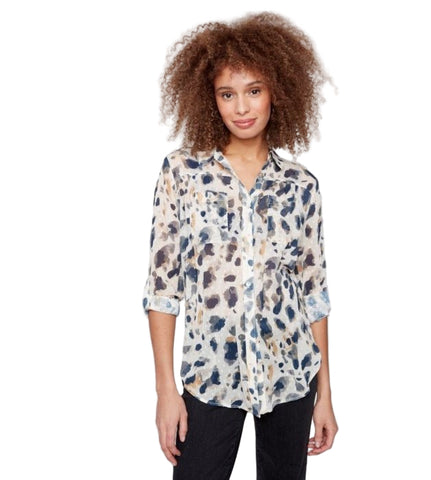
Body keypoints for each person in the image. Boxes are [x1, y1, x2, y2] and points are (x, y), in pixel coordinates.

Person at [142, 11, 339, 480]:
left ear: (278, 92)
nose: (242, 107)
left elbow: (314, 294)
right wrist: (166, 391)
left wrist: (325, 394)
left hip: (291, 377)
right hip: (210, 377)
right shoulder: (182, 174)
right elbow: (162, 289)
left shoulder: (301, 185)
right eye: (227, 94)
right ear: (210, 100)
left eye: (254, 90)